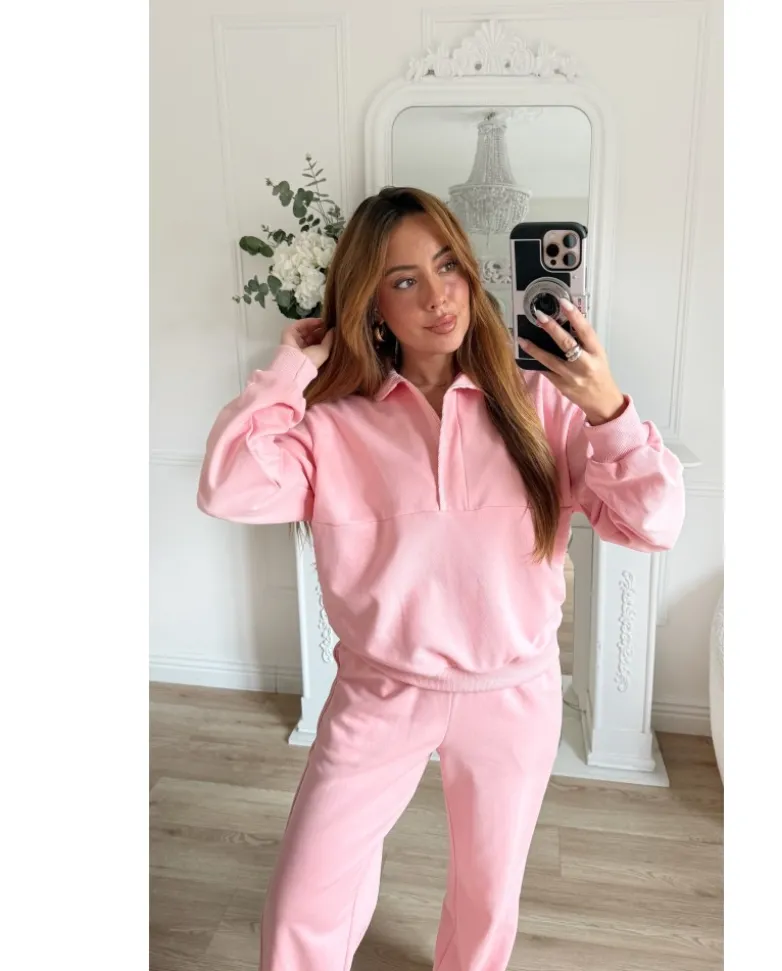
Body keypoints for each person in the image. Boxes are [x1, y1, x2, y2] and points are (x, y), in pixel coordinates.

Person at [197, 186, 685, 971]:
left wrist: (607, 407)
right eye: (404, 279)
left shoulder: (538, 401)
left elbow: (653, 522)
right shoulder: (334, 420)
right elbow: (227, 487)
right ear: (370, 302)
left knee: (487, 900)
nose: (437, 295)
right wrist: (292, 364)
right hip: (379, 693)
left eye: (448, 264)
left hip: (513, 696)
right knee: (303, 901)